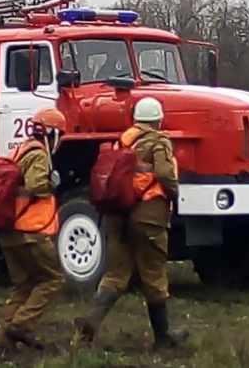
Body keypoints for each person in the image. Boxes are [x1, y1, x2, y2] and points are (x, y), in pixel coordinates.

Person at [72, 97, 189, 349]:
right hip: (148, 218)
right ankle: (163, 336)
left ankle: (89, 324)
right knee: (154, 274)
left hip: (117, 216)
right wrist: (174, 195)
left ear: (136, 120)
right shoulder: (159, 141)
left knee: (117, 273)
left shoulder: (122, 140)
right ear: (158, 120)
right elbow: (166, 175)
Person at [0, 107, 67, 351]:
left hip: (9, 233)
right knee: (53, 279)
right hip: (31, 232)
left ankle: (3, 341)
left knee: (23, 285)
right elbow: (37, 186)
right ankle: (22, 325)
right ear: (53, 133)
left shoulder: (18, 150)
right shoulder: (39, 155)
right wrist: (52, 184)